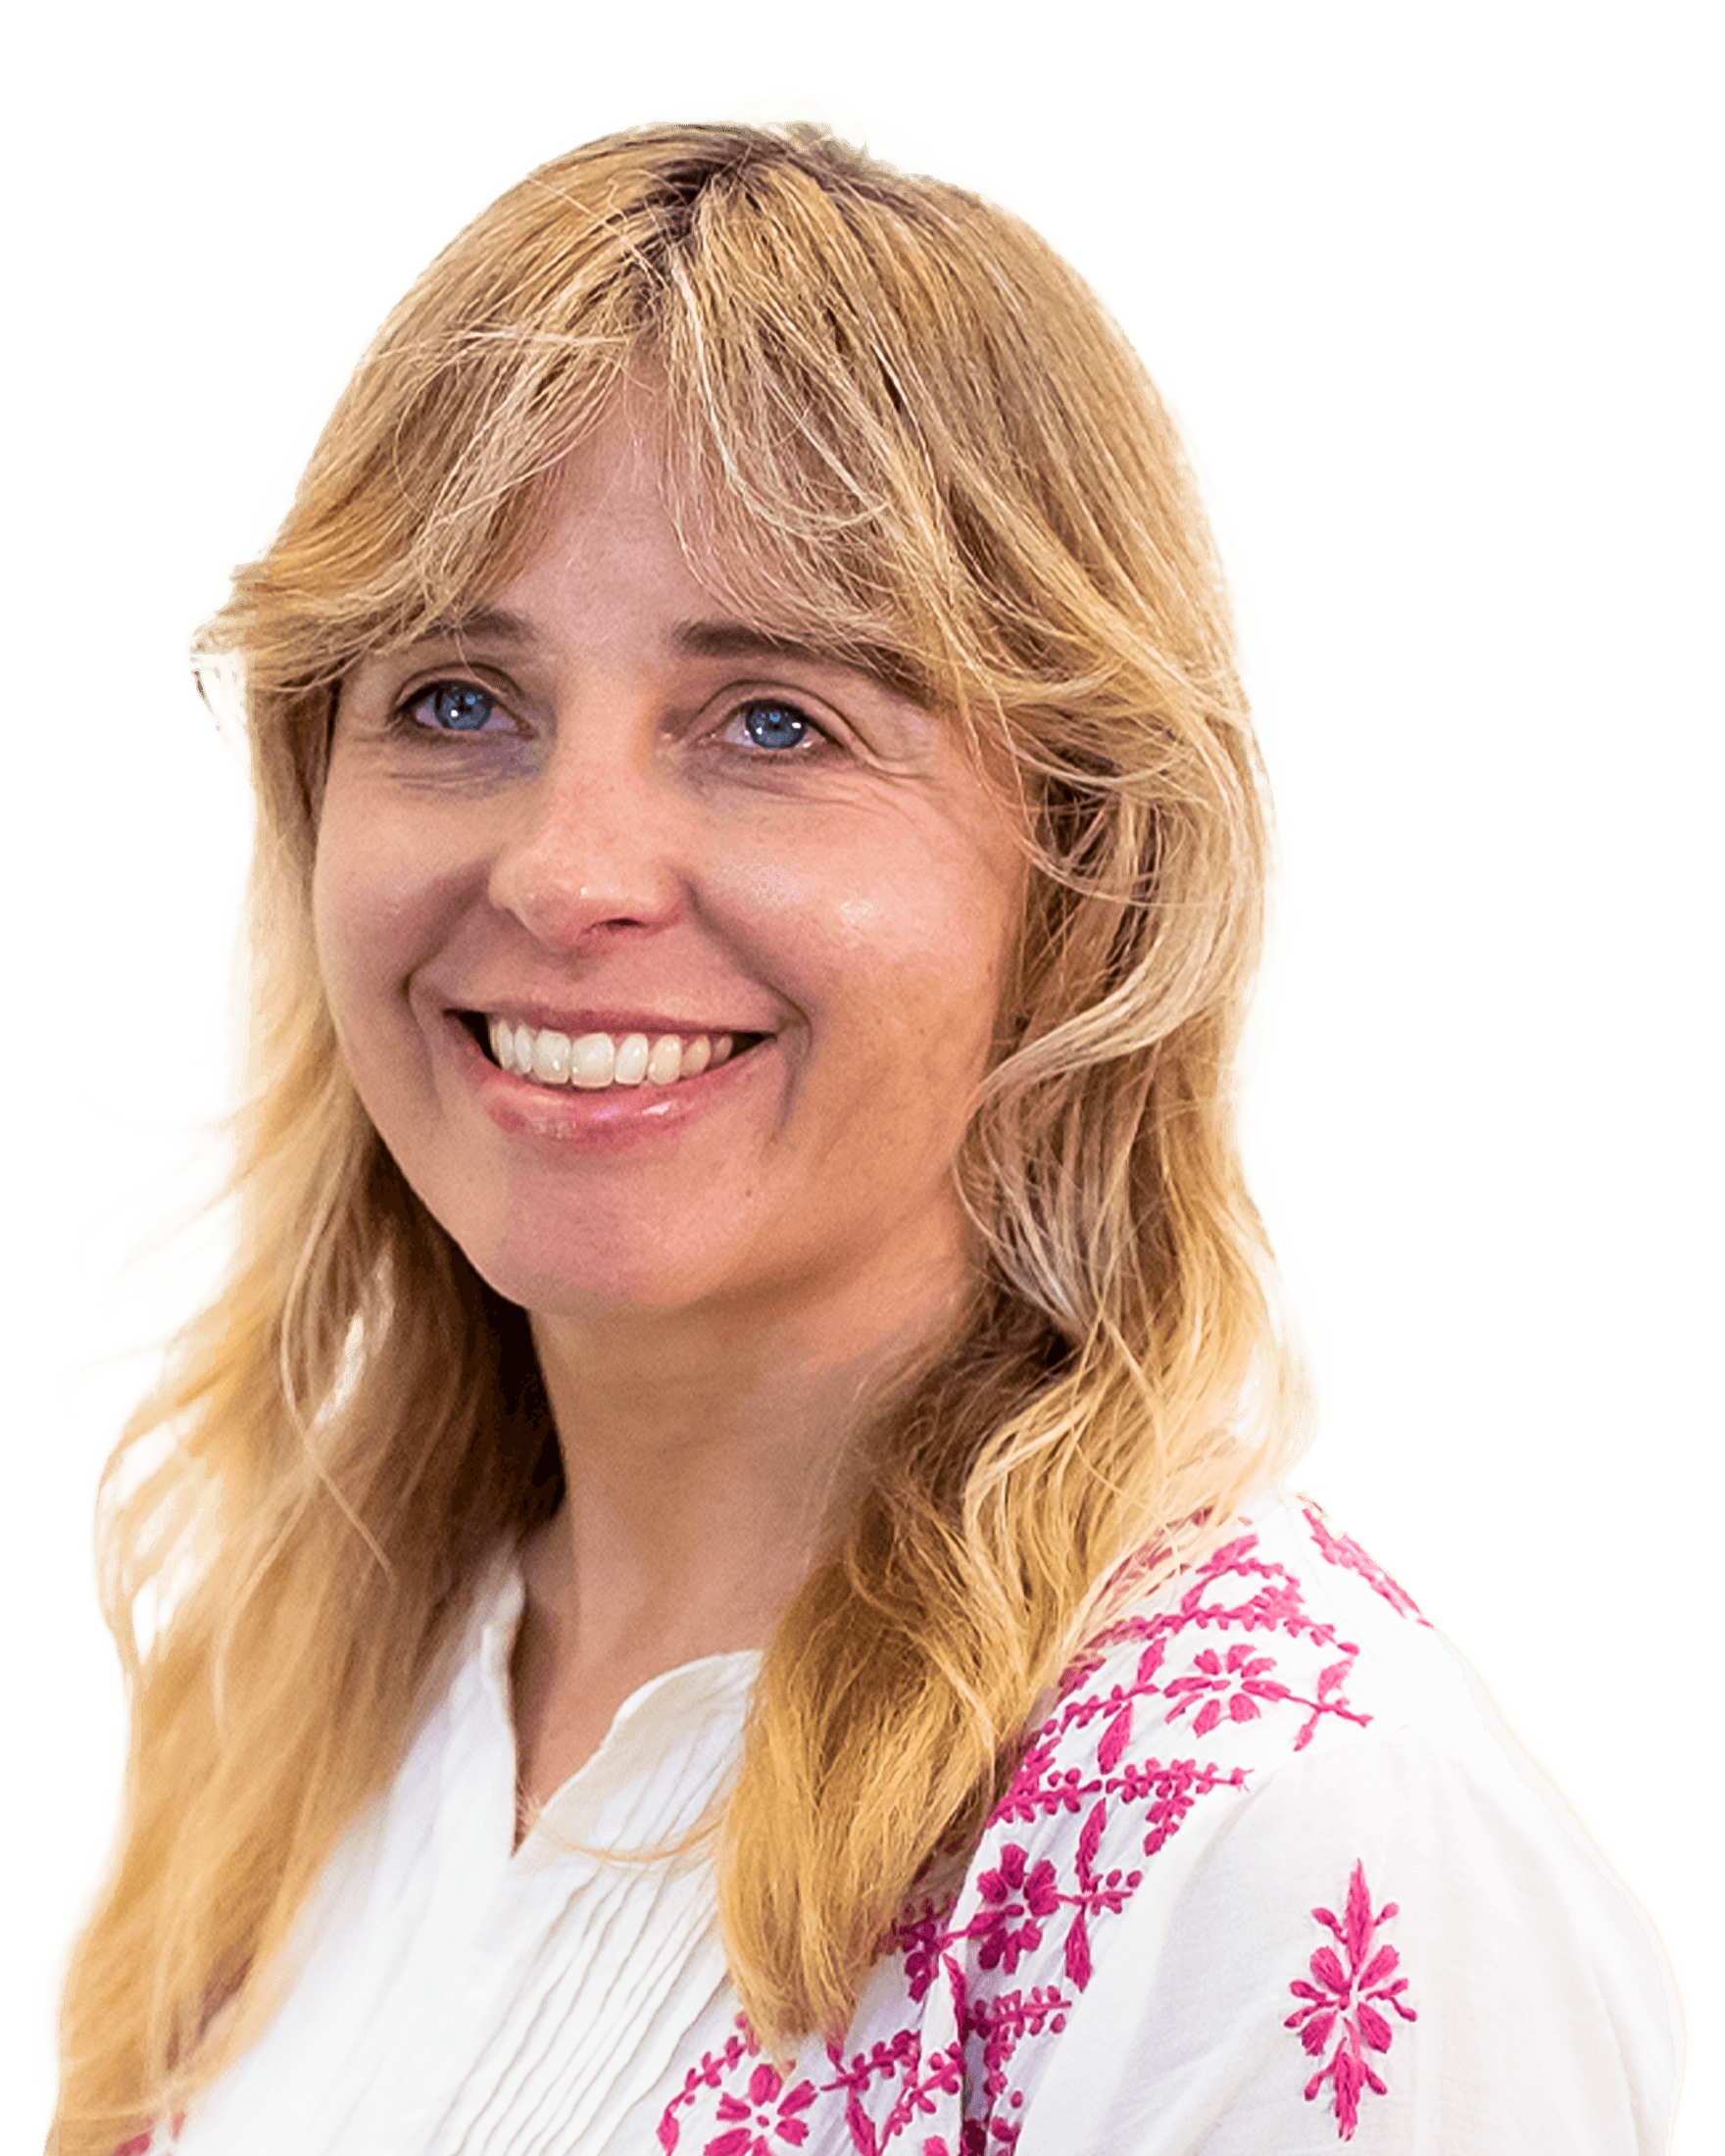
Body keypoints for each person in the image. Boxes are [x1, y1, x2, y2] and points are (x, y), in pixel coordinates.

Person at [37, 92, 1685, 2156]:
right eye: (456, 699)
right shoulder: (315, 1687)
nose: (568, 872)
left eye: (774, 721)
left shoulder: (1281, 1836)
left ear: (1085, 875)